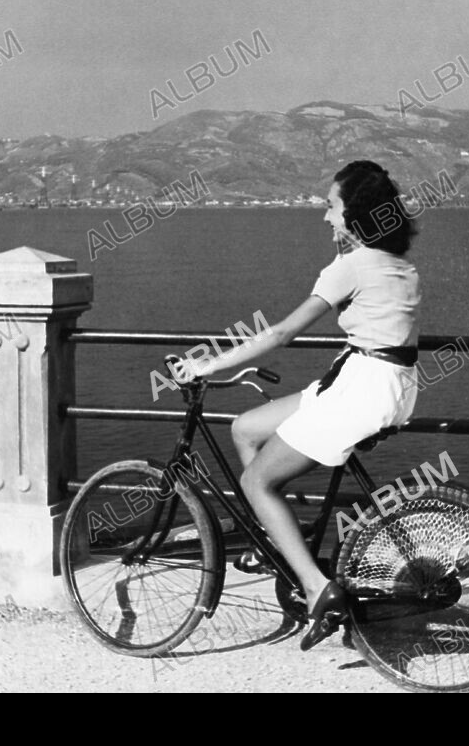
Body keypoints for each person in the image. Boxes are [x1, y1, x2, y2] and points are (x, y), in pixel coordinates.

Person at [176, 161, 420, 650]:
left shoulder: (351, 265)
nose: (326, 217)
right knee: (246, 427)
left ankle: (316, 587)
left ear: (356, 213)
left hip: (361, 388)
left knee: (255, 480)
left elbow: (283, 332)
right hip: (380, 381)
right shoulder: (399, 265)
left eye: (332, 206)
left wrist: (210, 365)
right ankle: (283, 543)